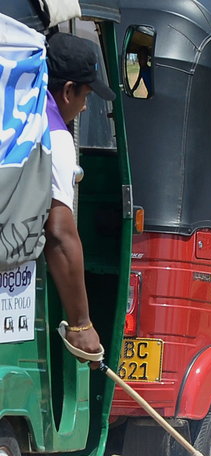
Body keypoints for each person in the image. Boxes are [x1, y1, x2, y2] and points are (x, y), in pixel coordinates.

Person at [44, 32, 116, 360]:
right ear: (68, 89)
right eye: (85, 95)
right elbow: (59, 233)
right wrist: (81, 324)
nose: (86, 106)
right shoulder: (55, 136)